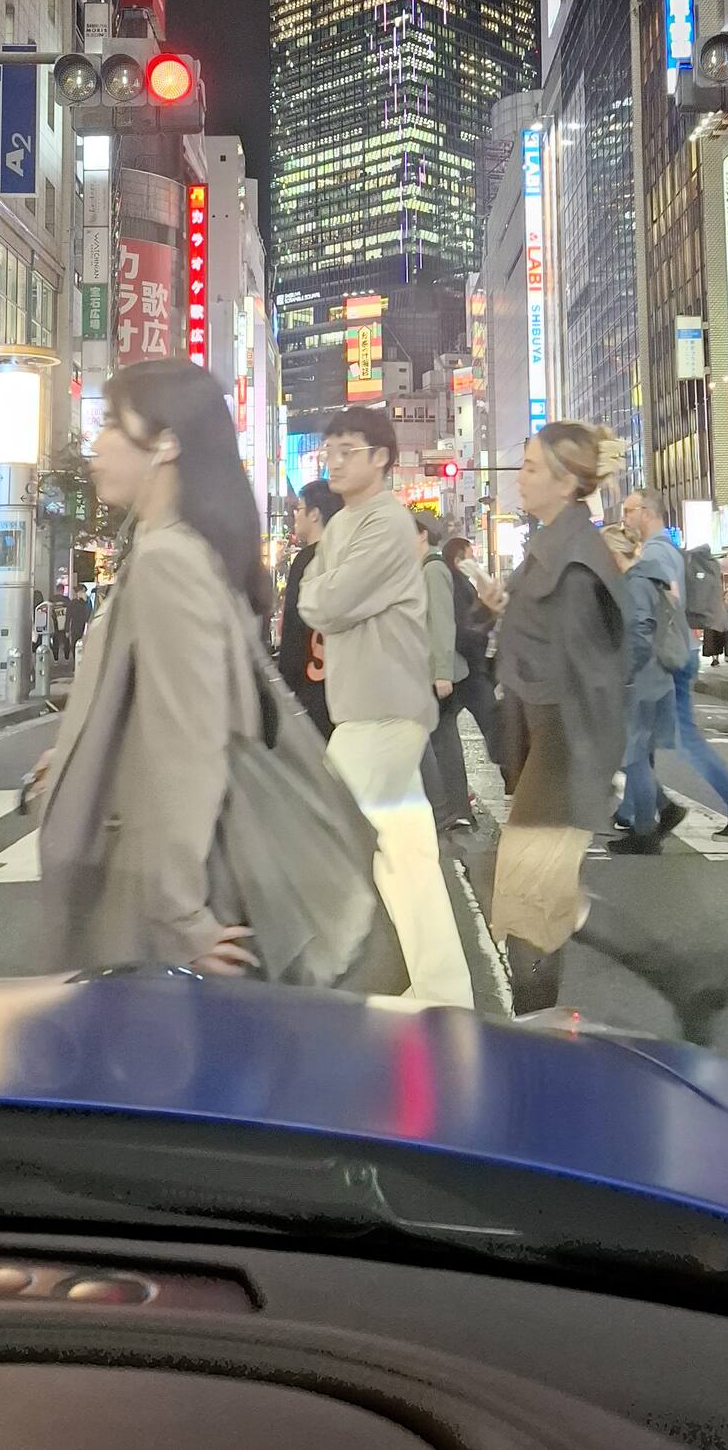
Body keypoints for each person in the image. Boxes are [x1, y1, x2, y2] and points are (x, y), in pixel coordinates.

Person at [39, 358, 270, 978]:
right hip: (140, 885)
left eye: (114, 423)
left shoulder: (168, 559)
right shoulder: (180, 549)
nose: (97, 444)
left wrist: (179, 916)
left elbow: (188, 741)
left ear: (166, 443)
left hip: (145, 907)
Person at [298, 407, 475, 1008]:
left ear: (380, 458)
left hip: (384, 709)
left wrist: (325, 592)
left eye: (348, 449)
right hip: (367, 708)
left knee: (322, 830)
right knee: (409, 858)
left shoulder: (389, 523)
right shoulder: (349, 524)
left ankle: (314, 986)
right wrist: (324, 593)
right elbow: (314, 598)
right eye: (331, 450)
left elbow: (329, 601)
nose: (335, 460)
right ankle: (442, 991)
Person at [490, 422, 628, 1012]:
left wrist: (583, 780)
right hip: (544, 747)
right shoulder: (552, 547)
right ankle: (671, 972)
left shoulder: (573, 564)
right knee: (545, 900)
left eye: (529, 467)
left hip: (560, 753)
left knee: (529, 904)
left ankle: (537, 1031)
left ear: (567, 481)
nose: (518, 478)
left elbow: (592, 685)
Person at [620, 490, 728, 838]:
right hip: (676, 652)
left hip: (669, 656)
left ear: (648, 513)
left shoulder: (655, 553)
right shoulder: (665, 550)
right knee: (641, 737)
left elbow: (666, 605)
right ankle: (633, 811)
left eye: (629, 510)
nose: (624, 518)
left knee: (681, 737)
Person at [607, 527, 688, 856]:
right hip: (653, 676)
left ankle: (645, 831)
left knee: (632, 755)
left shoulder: (636, 582)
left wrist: (625, 671)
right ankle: (663, 809)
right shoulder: (648, 579)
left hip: (641, 678)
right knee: (634, 753)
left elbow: (640, 630)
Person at [413, 512, 473, 834]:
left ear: (422, 535)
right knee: (441, 738)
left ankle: (451, 808)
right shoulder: (426, 569)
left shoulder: (433, 569)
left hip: (441, 673)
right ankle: (452, 807)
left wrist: (441, 672)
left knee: (442, 739)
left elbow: (441, 623)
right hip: (436, 671)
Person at [278, 478, 342, 738]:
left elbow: (295, 623)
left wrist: (286, 679)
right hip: (339, 679)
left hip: (311, 678)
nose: (295, 515)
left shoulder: (306, 559)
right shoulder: (343, 556)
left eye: (299, 508)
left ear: (315, 514)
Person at [442, 536, 503, 765]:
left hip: (467, 668)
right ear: (459, 561)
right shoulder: (458, 586)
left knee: (444, 728)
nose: (475, 561)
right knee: (494, 727)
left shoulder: (460, 584)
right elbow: (464, 629)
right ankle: (510, 782)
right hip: (469, 670)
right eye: (471, 557)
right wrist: (488, 613)